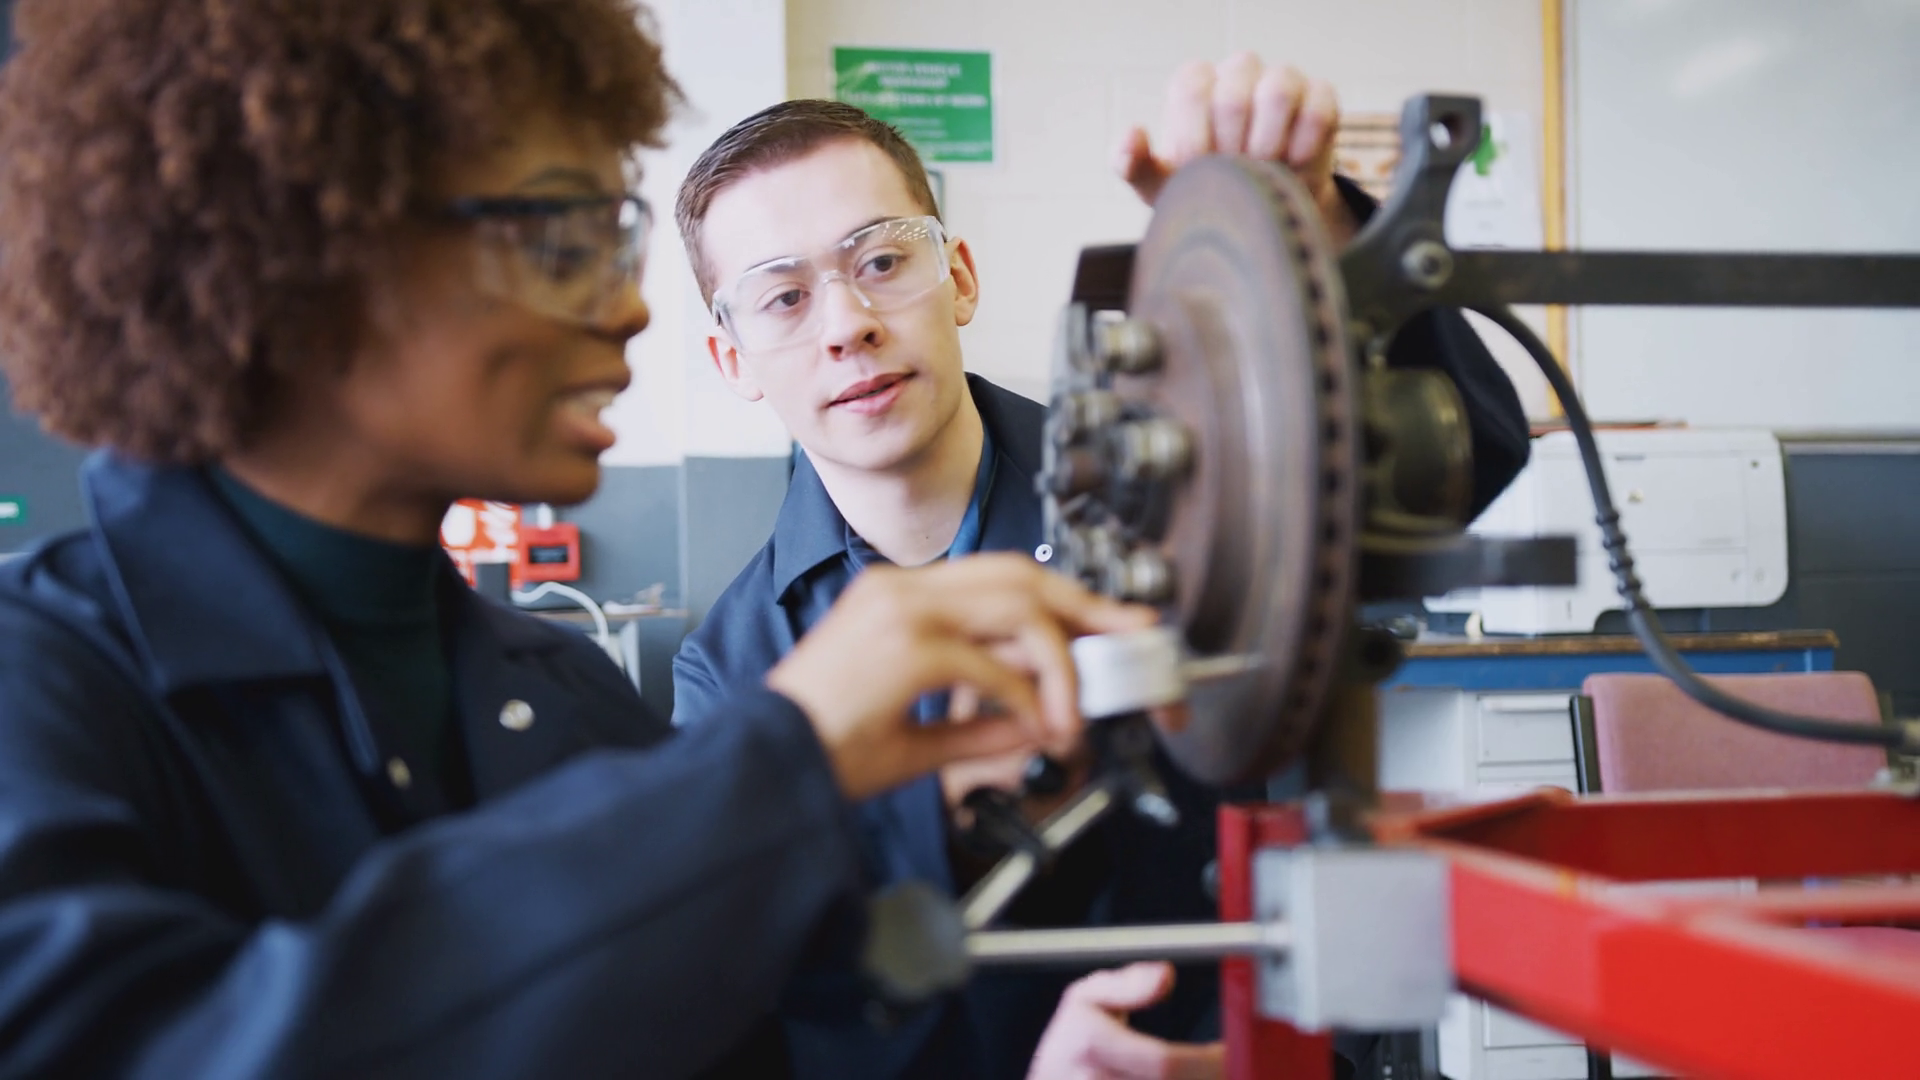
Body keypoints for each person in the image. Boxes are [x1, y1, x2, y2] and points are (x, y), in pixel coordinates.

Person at [0, 1, 1166, 1076]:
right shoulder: (42, 683)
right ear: (316, 254)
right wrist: (782, 761)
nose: (628, 308)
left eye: (613, 235)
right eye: (558, 239)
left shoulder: (560, 698)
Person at [671, 54, 1533, 1080]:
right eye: (781, 298)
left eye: (883, 260)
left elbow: (1464, 460)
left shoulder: (1169, 475)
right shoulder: (734, 672)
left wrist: (1326, 239)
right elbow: (767, 1009)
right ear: (733, 360)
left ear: (960, 277)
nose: (848, 324)